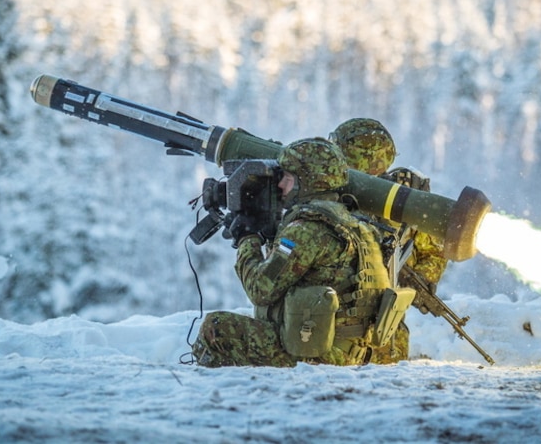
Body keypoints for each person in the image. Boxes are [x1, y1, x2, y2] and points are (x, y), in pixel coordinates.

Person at [192, 137, 397, 367]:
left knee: (217, 327)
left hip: (321, 355)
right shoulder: (355, 222)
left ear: (306, 183)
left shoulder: (307, 229)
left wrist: (246, 239)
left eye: (288, 179)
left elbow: (260, 289)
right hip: (352, 350)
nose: (281, 186)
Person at [329, 118, 449, 363]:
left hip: (383, 337)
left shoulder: (405, 198)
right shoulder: (331, 195)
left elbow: (433, 252)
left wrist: (421, 281)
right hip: (336, 333)